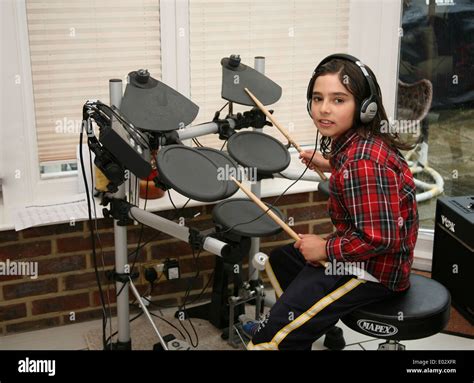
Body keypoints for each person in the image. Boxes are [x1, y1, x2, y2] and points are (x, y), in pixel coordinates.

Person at [246, 54, 419, 350]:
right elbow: (356, 171)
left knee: (267, 343)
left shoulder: (362, 163)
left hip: (374, 273)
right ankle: (311, 322)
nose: (323, 109)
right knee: (283, 261)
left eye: (338, 100)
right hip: (364, 256)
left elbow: (382, 238)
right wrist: (330, 163)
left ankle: (281, 332)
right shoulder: (357, 144)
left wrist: (325, 248)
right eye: (317, 98)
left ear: (365, 107)